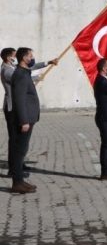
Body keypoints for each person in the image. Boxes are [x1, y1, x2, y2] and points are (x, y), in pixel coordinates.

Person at [2, 47, 56, 178]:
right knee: (15, 141)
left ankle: (19, 164)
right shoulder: (7, 70)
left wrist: (48, 62)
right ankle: (14, 170)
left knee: (20, 142)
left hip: (18, 108)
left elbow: (29, 69)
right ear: (9, 57)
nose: (16, 57)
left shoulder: (13, 67)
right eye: (14, 55)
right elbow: (20, 79)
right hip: (12, 108)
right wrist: (36, 77)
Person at [8, 48, 48, 193]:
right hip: (24, 120)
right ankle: (17, 183)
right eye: (31, 55)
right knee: (19, 151)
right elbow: (19, 100)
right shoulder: (20, 74)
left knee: (22, 150)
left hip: (29, 118)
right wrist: (24, 120)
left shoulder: (24, 73)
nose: (33, 58)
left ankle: (20, 181)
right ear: (24, 58)